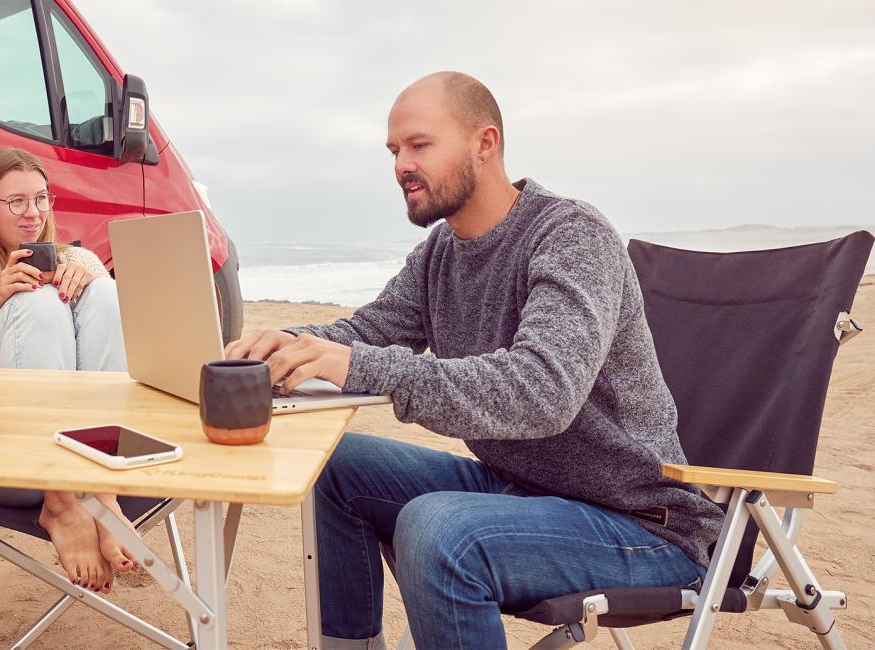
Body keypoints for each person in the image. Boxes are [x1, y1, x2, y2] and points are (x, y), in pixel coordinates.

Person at [225, 72, 724, 649]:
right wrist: (283, 344)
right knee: (334, 464)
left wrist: (360, 364)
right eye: (394, 150)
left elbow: (543, 393)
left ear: (485, 144)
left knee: (439, 530)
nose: (401, 166)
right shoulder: (439, 253)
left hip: (641, 523)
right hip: (520, 488)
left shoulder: (572, 235)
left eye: (420, 145)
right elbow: (366, 332)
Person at [0, 147, 134, 595]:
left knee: (107, 293)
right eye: (16, 201)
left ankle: (99, 489)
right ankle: (61, 500)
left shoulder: (81, 261)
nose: (32, 212)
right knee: (35, 301)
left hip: (85, 443)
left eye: (40, 198)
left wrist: (91, 288)